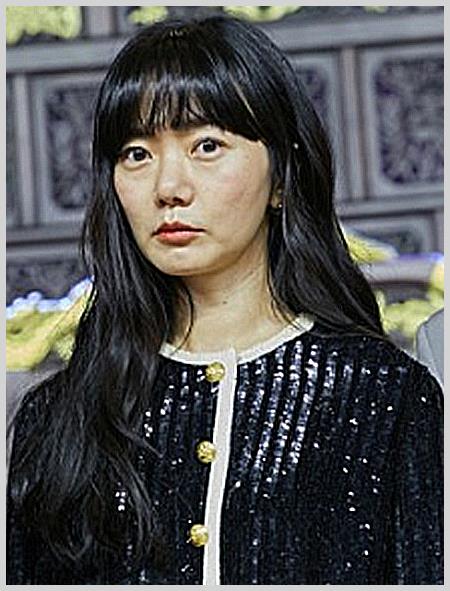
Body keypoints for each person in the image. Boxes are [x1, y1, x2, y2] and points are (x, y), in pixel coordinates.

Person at [7, 15, 443, 585]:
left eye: (207, 146)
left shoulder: (389, 399)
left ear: (281, 176)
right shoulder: (57, 419)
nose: (169, 188)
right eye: (136, 154)